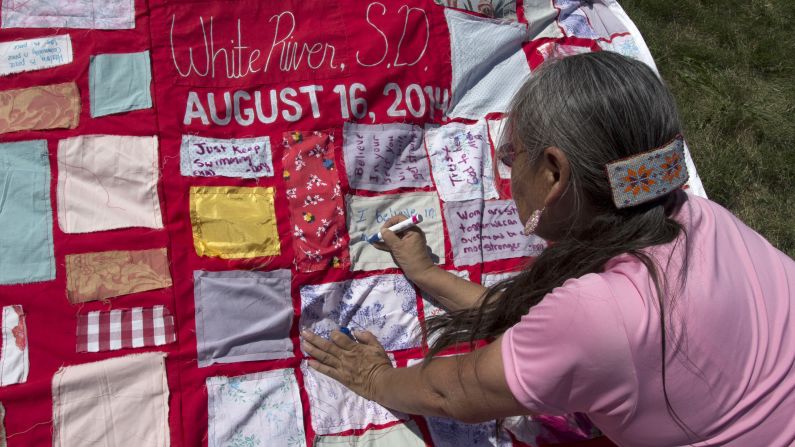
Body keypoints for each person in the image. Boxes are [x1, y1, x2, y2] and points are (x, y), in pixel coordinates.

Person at [300, 51, 795, 446]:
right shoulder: (699, 217)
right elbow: (542, 325)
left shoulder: (602, 314)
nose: (509, 175)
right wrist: (428, 274)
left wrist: (373, 378)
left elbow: (450, 390)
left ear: (554, 174)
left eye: (513, 155)